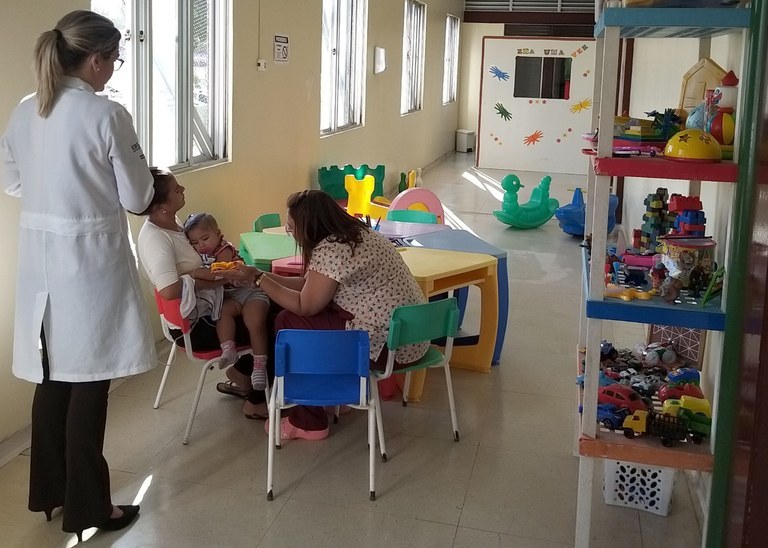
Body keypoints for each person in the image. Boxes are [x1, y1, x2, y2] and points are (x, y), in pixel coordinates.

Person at [0, 10, 153, 540]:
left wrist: (58, 197)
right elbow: (138, 196)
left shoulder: (27, 109)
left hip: (41, 264)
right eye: (115, 59)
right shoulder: (107, 114)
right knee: (90, 381)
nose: (113, 69)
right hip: (89, 268)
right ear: (96, 59)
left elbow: (12, 181)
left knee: (53, 376)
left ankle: (51, 490)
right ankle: (91, 507)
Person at [218, 189, 429, 441]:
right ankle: (329, 398)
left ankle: (308, 421)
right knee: (293, 313)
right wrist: (257, 276)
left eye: (292, 227)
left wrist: (258, 279)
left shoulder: (332, 250)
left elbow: (305, 306)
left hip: (387, 349)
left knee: (289, 323)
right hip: (412, 336)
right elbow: (310, 286)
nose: (290, 232)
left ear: (310, 226)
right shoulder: (356, 234)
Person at [135, 168, 271, 416]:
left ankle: (242, 375)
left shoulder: (172, 223)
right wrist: (215, 278)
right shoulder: (156, 239)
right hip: (197, 325)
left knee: (266, 302)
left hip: (206, 308)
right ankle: (256, 401)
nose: (183, 189)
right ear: (161, 206)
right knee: (277, 320)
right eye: (176, 189)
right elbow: (168, 290)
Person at [183, 212, 271, 390]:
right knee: (222, 314)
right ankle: (228, 349)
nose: (201, 245)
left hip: (251, 292)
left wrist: (195, 272)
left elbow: (217, 274)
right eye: (195, 242)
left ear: (218, 234)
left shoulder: (224, 250)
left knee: (255, 322)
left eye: (205, 238)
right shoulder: (201, 254)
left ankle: (259, 365)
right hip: (231, 297)